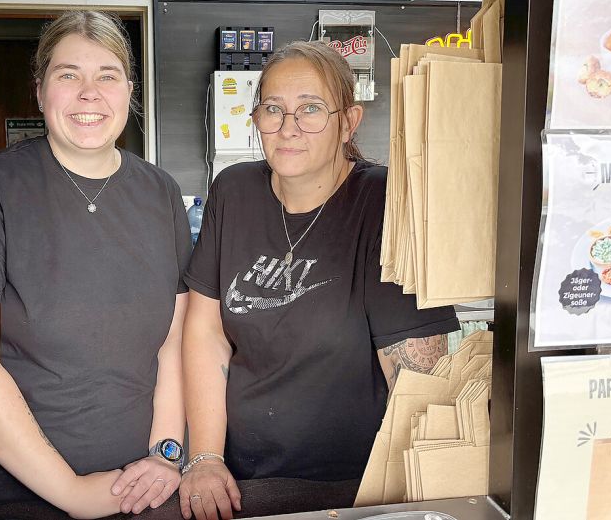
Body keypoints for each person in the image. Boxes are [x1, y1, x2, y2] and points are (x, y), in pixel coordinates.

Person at [0, 11, 190, 519]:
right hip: (15, 493)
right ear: (40, 90)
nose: (89, 93)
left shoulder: (161, 193)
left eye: (107, 76)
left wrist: (166, 455)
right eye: (68, 75)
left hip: (144, 482)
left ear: (129, 90)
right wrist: (74, 494)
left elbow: (173, 342)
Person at [178, 41, 460, 520]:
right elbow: (205, 333)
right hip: (241, 483)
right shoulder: (233, 190)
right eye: (273, 109)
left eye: (310, 109)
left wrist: (416, 494)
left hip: (352, 488)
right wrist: (205, 458)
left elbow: (417, 374)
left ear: (348, 122)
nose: (289, 128)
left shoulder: (383, 203)